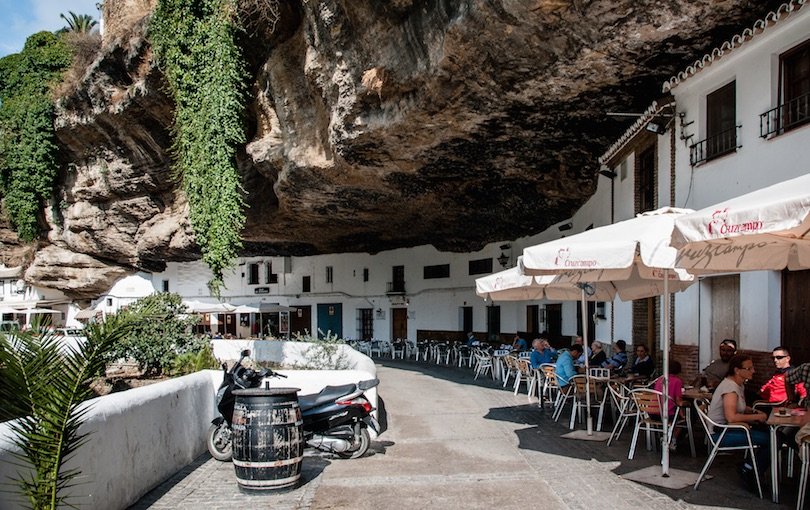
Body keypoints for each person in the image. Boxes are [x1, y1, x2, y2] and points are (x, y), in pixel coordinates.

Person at [707, 354, 769, 489]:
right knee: (771, 440)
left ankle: (750, 467)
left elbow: (738, 406)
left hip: (729, 429)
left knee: (772, 435)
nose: (753, 371)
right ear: (737, 370)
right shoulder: (730, 387)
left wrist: (752, 411)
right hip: (721, 433)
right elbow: (732, 417)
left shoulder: (738, 385)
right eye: (749, 368)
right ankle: (749, 469)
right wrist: (757, 417)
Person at [653, 360, 684, 451]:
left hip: (654, 413)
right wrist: (683, 414)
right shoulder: (677, 381)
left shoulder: (660, 379)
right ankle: (672, 439)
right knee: (686, 419)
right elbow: (678, 401)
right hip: (667, 414)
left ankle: (667, 437)